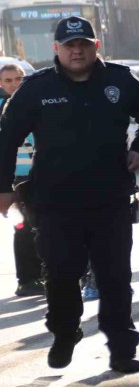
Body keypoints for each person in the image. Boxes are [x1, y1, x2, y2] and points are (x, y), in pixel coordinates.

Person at [0, 16, 139, 373]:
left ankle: (122, 348)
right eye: (69, 45)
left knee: (115, 276)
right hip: (56, 202)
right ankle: (64, 332)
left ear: (95, 46)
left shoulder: (119, 80)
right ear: (56, 49)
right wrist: (4, 188)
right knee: (60, 273)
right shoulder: (36, 88)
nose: (77, 51)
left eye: (84, 44)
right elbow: (6, 138)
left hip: (111, 198)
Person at [0, 63, 44, 297]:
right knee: (24, 227)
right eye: (8, 81)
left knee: (44, 226)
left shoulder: (34, 103)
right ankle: (27, 279)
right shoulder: (3, 109)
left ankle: (43, 274)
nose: (14, 84)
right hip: (15, 178)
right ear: (0, 84)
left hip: (39, 174)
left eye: (18, 79)